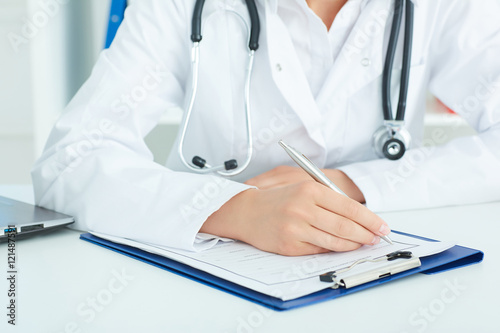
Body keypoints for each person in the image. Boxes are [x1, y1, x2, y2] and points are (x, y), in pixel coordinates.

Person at [32, 0, 500, 256]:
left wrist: (350, 184)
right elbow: (69, 161)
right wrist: (233, 210)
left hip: (377, 263)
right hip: (211, 275)